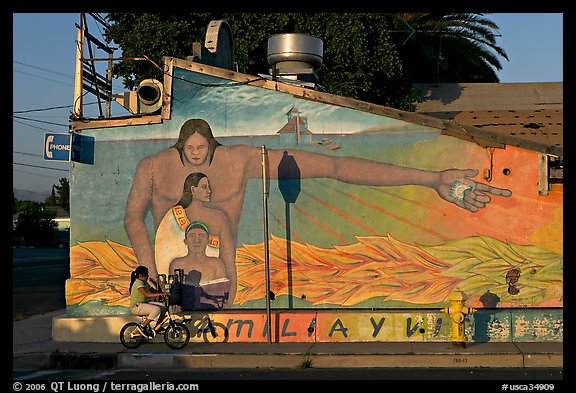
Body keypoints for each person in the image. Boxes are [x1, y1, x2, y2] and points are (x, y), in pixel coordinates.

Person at [124, 118, 512, 304]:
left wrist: (430, 178)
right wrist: (151, 273)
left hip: (220, 284)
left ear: (212, 144)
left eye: (201, 148)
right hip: (167, 281)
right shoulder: (154, 166)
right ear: (178, 146)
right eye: (188, 149)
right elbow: (133, 219)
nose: (195, 155)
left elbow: (336, 167)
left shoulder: (240, 161)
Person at [154, 172, 236, 305]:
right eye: (204, 187)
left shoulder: (219, 218)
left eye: (201, 236)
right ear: (193, 189)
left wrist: (228, 305)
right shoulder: (173, 216)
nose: (209, 191)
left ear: (207, 239)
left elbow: (230, 265)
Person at [169, 221, 230, 310]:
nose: (197, 240)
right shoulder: (177, 264)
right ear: (185, 241)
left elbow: (221, 293)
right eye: (192, 236)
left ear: (208, 241)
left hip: (210, 310)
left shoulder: (216, 264)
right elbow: (174, 291)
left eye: (201, 235)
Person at [129, 265, 169, 339]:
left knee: (163, 307)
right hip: (136, 307)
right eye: (147, 275)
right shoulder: (138, 283)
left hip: (143, 304)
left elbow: (152, 290)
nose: (148, 276)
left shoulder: (144, 282)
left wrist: (163, 293)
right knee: (156, 309)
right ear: (141, 275)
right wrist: (160, 294)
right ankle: (142, 326)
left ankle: (158, 326)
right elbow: (146, 294)